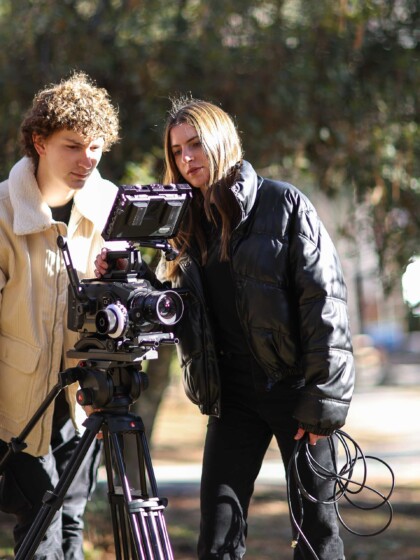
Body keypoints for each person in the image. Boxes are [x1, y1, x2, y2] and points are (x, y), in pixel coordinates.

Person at [96, 96, 356, 560]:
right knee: (216, 541)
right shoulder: (182, 226)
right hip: (231, 399)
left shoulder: (283, 204)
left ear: (221, 141)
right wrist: (126, 275)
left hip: (295, 392)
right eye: (177, 150)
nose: (187, 158)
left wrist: (323, 403)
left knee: (318, 537)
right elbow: (173, 305)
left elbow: (326, 306)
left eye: (195, 144)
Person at [0, 72, 120, 559]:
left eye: (95, 147)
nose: (86, 160)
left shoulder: (109, 204)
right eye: (72, 146)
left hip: (79, 399)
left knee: (72, 520)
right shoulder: (4, 213)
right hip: (18, 406)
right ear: (39, 142)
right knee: (41, 524)